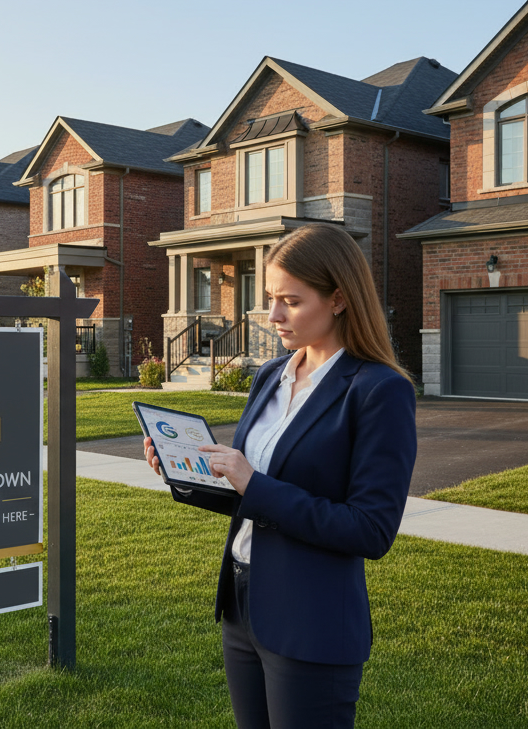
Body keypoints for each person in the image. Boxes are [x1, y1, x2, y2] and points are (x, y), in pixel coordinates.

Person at [143, 224, 417, 729]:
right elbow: (251, 495)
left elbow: (370, 530)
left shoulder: (379, 391)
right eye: (271, 298)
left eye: (291, 301)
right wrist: (186, 473)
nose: (272, 316)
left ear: (338, 299)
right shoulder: (271, 375)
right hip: (243, 606)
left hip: (311, 620)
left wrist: (254, 483)